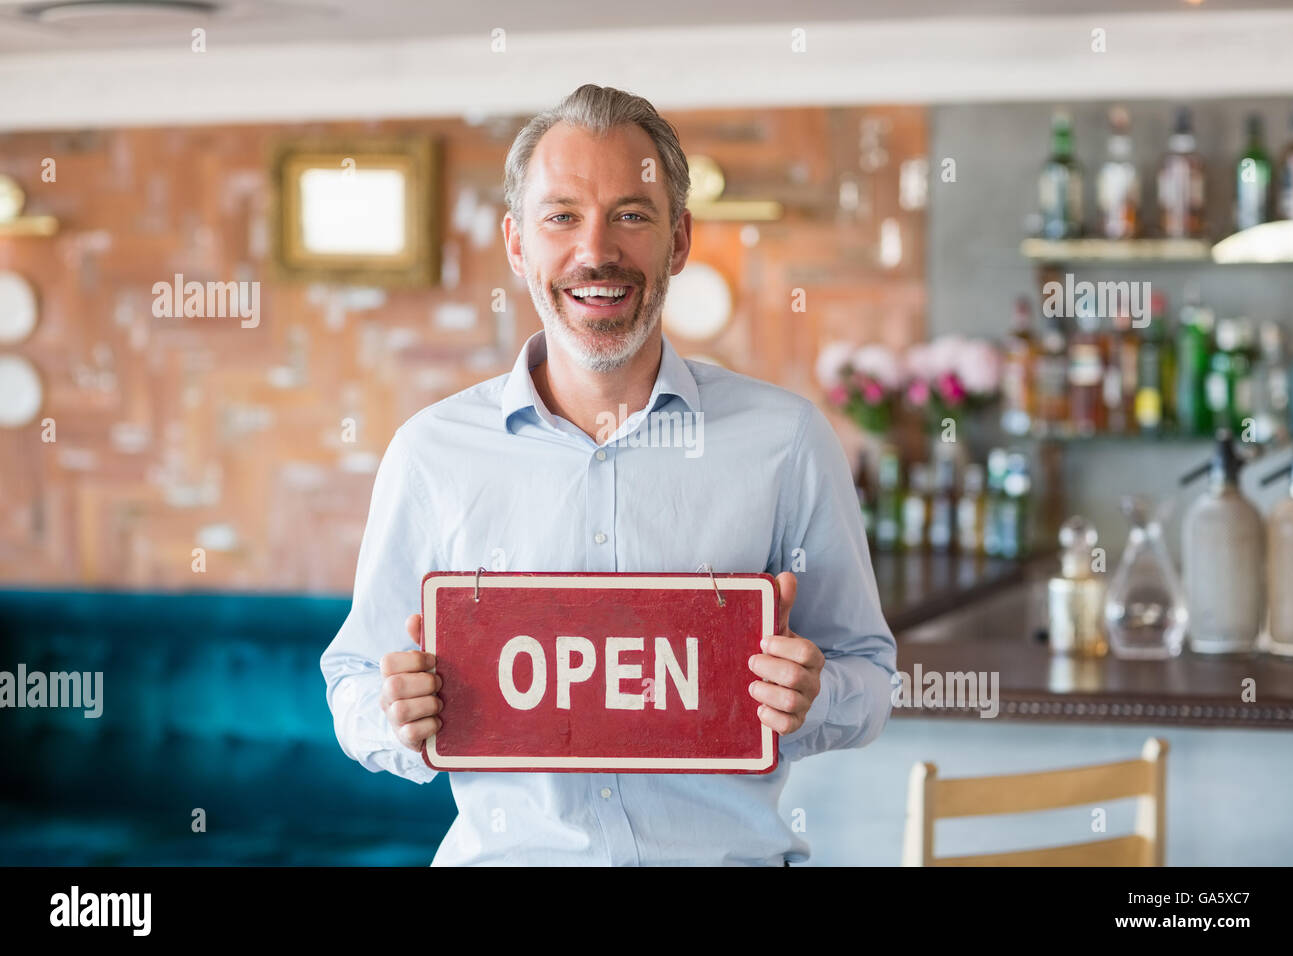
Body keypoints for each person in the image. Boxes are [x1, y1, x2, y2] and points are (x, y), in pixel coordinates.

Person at [320, 84, 897, 865]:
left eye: (632, 214)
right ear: (518, 244)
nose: (596, 251)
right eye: (562, 216)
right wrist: (398, 718)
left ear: (679, 240)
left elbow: (869, 673)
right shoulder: (431, 454)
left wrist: (816, 696)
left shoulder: (787, 441)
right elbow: (353, 675)